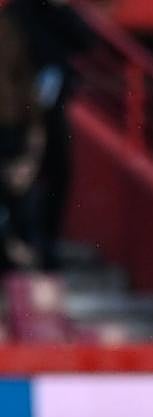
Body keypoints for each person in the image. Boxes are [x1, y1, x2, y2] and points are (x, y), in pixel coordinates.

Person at [3, 0, 91, 270]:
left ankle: (44, 244)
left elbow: (85, 41)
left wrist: (62, 10)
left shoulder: (59, 14)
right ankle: (15, 245)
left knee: (56, 175)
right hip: (14, 117)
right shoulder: (15, 17)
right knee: (15, 184)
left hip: (44, 113)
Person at [0, 14, 43, 274]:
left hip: (18, 170)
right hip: (7, 173)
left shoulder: (23, 88)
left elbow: (37, 129)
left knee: (26, 211)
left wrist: (27, 166)